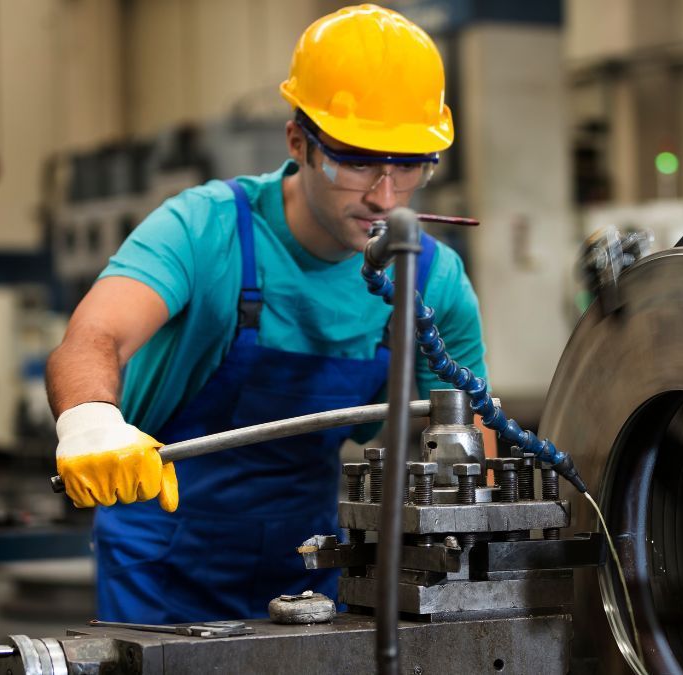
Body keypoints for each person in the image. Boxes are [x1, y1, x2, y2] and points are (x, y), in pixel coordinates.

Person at [46, 4, 489, 624]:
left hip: (310, 557)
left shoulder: (432, 279)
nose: (384, 197)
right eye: (357, 160)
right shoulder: (205, 229)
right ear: (297, 142)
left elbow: (470, 436)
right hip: (163, 557)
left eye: (410, 165)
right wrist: (90, 420)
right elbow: (95, 336)